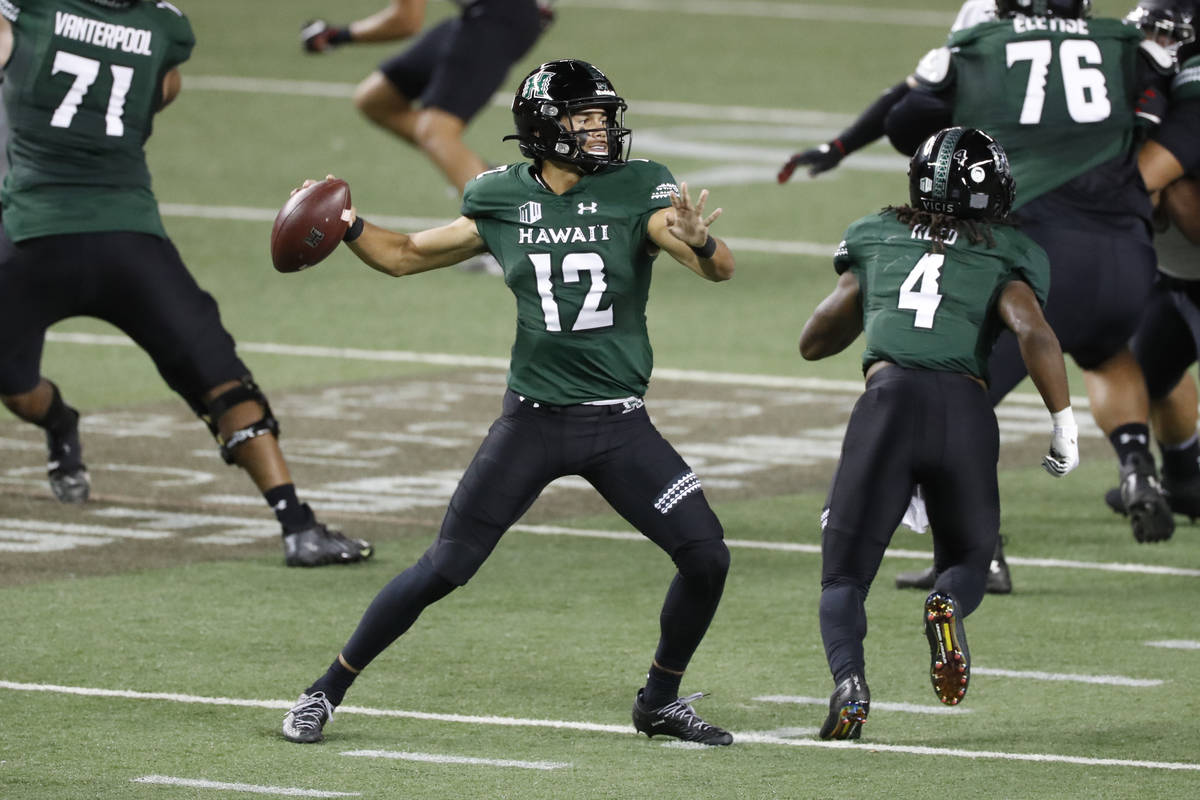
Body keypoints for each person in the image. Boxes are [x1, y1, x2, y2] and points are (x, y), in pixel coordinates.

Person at [280, 59, 737, 747]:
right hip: (533, 423)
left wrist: (702, 242)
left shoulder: (640, 189)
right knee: (444, 567)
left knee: (707, 556)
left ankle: (659, 700)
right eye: (584, 119)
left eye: (602, 117)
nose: (601, 131)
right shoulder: (499, 198)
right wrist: (346, 224)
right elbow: (404, 253)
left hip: (618, 425)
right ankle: (325, 690)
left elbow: (715, 265)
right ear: (545, 129)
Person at [0, 0, 372, 568]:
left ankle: (298, 524)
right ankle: (61, 423)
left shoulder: (29, 14)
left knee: (221, 380)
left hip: (106, 231)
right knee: (18, 385)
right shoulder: (162, 27)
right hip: (46, 230)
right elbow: (163, 90)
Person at [879, 0, 1183, 602]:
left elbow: (905, 127)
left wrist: (924, 83)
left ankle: (977, 553)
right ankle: (1137, 467)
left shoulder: (984, 41)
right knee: (1107, 354)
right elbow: (1165, 100)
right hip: (1126, 251)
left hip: (1039, 248)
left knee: (955, 399)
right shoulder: (1122, 40)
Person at [799, 126, 1079, 740]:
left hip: (888, 406)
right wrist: (1063, 421)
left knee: (844, 576)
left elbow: (814, 340)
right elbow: (1032, 331)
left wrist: (874, 303)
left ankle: (849, 684)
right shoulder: (1011, 250)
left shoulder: (876, 233)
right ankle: (946, 604)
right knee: (970, 559)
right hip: (965, 412)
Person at [300, 1, 549, 196]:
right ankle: (479, 174)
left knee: (435, 132)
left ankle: (505, 231)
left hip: (505, 16)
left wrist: (338, 35)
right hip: (481, 15)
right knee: (375, 99)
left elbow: (405, 21)